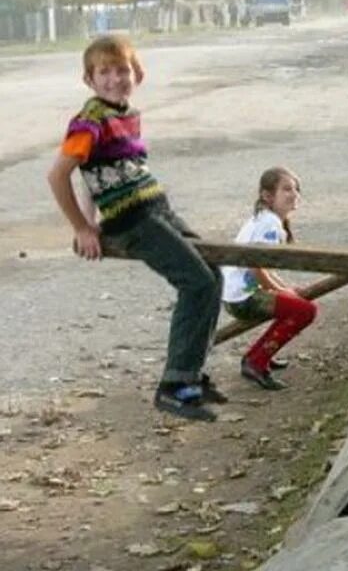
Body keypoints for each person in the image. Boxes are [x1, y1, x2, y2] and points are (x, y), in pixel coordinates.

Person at [46, 36, 225, 422]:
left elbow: (94, 173)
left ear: (137, 74)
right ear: (89, 80)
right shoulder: (89, 122)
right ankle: (174, 387)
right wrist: (83, 227)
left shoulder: (127, 113)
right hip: (133, 222)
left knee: (214, 272)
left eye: (122, 70)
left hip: (157, 208)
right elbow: (59, 174)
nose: (115, 79)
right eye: (104, 72)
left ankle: (192, 375)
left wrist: (90, 216)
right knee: (198, 283)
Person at [221, 167, 318, 391]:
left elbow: (264, 268)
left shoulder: (266, 219)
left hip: (236, 293)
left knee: (294, 306)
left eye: (296, 189)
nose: (294, 194)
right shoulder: (270, 224)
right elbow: (256, 267)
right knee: (305, 311)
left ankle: (261, 354)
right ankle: (256, 361)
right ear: (267, 196)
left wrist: (286, 288)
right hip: (243, 298)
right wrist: (282, 292)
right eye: (286, 189)